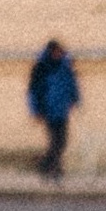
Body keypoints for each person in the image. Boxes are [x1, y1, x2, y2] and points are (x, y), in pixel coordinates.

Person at [29, 36, 80, 181]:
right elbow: (33, 91)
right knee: (55, 142)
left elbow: (72, 84)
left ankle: (47, 167)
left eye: (60, 51)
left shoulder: (65, 67)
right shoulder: (41, 68)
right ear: (50, 52)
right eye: (56, 51)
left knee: (62, 142)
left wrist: (75, 99)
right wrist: (36, 110)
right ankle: (53, 170)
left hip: (62, 110)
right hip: (48, 110)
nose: (58, 54)